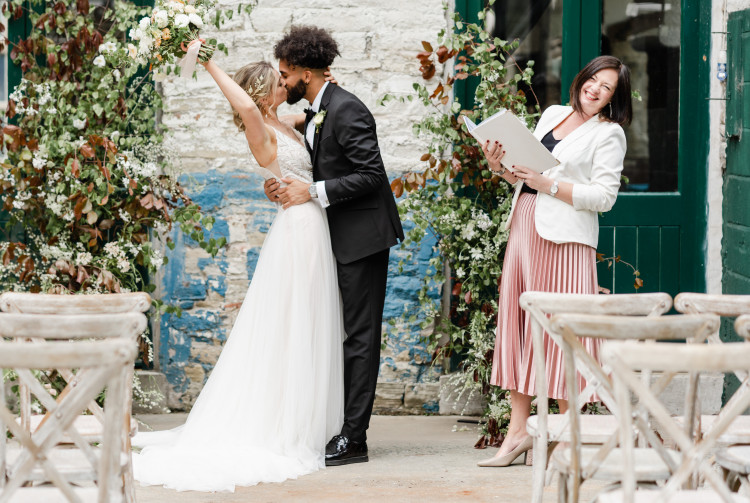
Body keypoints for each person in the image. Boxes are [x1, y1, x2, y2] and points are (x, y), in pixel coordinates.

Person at [131, 50, 347, 491]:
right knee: (294, 323)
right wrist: (208, 61)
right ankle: (286, 425)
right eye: (278, 82)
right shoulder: (259, 125)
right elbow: (246, 107)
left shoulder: (286, 125)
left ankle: (306, 418)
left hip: (310, 224)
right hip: (299, 232)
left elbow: (310, 134)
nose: (286, 85)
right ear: (264, 94)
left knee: (306, 322)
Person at [477, 55, 632, 467]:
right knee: (521, 324)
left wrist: (550, 184)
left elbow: (604, 197)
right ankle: (516, 435)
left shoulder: (609, 133)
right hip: (525, 225)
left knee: (564, 333)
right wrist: (501, 169)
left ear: (614, 99)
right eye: (594, 80)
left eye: (608, 88)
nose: (596, 89)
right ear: (582, 79)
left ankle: (568, 439)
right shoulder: (552, 114)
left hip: (565, 239)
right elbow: (526, 175)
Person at [264, 25, 404, 466]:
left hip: (362, 238)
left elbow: (372, 176)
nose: (282, 82)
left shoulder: (347, 109)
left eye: (285, 74)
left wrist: (313, 192)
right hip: (336, 236)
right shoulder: (321, 106)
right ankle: (338, 423)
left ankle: (354, 438)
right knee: (340, 334)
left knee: (359, 337)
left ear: (305, 72)